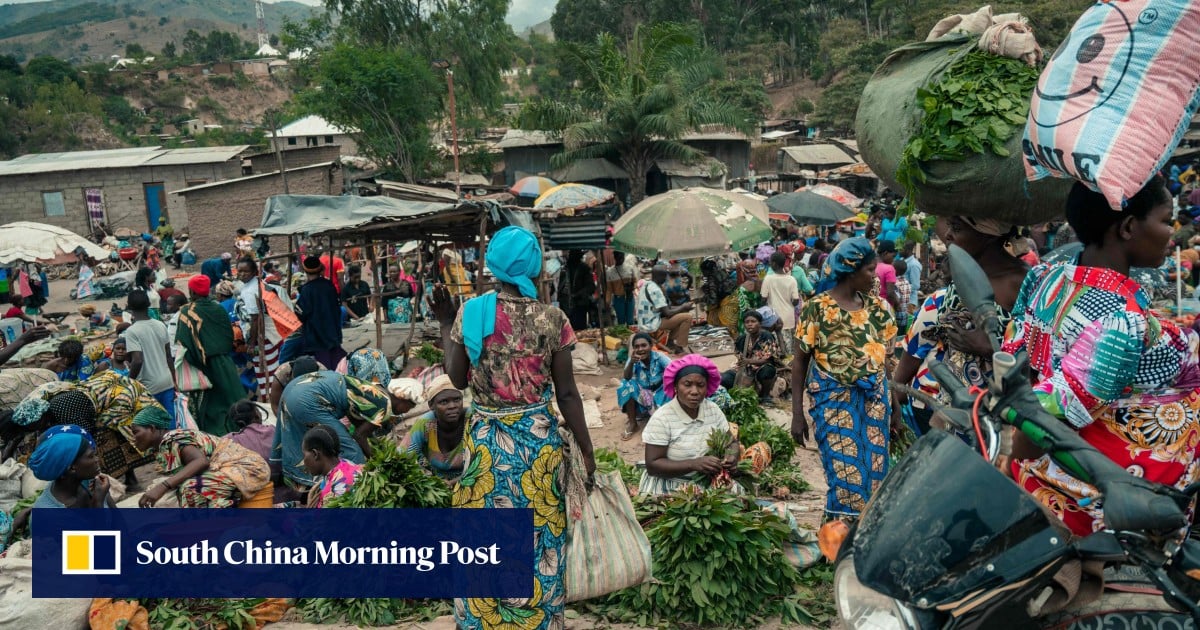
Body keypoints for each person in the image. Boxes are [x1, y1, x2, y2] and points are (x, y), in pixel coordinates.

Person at [1003, 176, 1200, 536]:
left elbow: (1019, 360)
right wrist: (1012, 473)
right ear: (1127, 227)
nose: (1171, 233)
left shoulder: (1048, 276)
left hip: (1046, 472)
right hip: (1099, 499)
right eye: (1164, 220)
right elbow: (1050, 414)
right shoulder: (1120, 321)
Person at [429, 225, 595, 630]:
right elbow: (568, 395)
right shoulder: (553, 319)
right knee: (540, 539)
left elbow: (457, 377)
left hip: (487, 444)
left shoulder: (473, 312)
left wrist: (448, 320)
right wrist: (587, 454)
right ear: (535, 268)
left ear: (494, 267)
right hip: (538, 445)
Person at [792, 237, 897, 522]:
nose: (874, 276)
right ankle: (838, 545)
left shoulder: (878, 310)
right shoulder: (817, 309)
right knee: (846, 478)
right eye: (870, 270)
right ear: (850, 271)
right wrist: (797, 414)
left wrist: (895, 407)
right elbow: (799, 362)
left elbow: (885, 362)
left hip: (876, 401)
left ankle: (862, 544)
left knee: (876, 477)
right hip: (833, 403)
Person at [894, 216, 1029, 436]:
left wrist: (991, 349)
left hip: (996, 417)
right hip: (948, 408)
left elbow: (1040, 359)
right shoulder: (964, 274)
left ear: (987, 235)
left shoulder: (1024, 282)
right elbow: (923, 339)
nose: (948, 235)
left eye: (956, 229)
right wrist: (896, 396)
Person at [12, 371, 161, 489]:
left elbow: (86, 435)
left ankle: (129, 480)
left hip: (116, 398)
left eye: (33, 426)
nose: (34, 429)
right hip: (97, 406)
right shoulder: (51, 412)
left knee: (107, 445)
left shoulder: (61, 409)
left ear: (40, 417)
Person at [272, 370, 397, 492]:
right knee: (352, 451)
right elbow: (358, 436)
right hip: (307, 399)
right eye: (411, 405)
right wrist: (378, 462)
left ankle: (296, 482)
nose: (409, 409)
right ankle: (356, 490)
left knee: (298, 438)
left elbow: (356, 425)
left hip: (293, 387)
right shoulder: (386, 407)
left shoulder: (365, 388)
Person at [638, 354, 740, 496]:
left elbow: (731, 442)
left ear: (707, 387)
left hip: (707, 479)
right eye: (687, 384)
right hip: (671, 483)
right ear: (675, 386)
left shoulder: (712, 410)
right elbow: (653, 465)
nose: (694, 391)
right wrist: (693, 464)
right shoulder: (663, 418)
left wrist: (732, 457)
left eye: (700, 385)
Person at [133, 407, 272, 508]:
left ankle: (222, 526)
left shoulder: (174, 438)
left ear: (151, 428)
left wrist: (163, 487)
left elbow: (201, 462)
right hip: (231, 470)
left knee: (190, 488)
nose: (133, 439)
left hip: (247, 468)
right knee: (179, 488)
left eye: (136, 432)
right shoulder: (164, 448)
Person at [175, 274, 245, 436]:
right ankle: (242, 432)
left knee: (211, 406)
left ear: (192, 291)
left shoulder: (187, 311)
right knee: (232, 398)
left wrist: (196, 362)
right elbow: (229, 335)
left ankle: (217, 437)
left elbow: (184, 342)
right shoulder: (218, 308)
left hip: (204, 365)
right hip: (225, 362)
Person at [28, 425, 114, 512]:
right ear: (72, 468)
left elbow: (120, 521)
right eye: (91, 456)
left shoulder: (90, 483)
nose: (97, 459)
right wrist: (98, 502)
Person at [400, 375, 467, 481]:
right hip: (436, 482)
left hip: (471, 479)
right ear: (431, 405)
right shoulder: (425, 423)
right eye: (444, 402)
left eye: (457, 400)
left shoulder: (472, 420)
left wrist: (455, 482)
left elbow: (485, 461)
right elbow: (403, 458)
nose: (452, 406)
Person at [123, 290, 175, 420]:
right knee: (170, 420)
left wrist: (130, 383)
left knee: (153, 424)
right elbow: (169, 356)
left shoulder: (132, 331)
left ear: (129, 307)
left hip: (149, 387)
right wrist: (175, 380)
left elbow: (137, 361)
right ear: (148, 304)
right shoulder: (160, 325)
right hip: (167, 382)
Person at [617, 332, 672, 441]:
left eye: (644, 345)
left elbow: (674, 370)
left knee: (672, 384)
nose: (640, 349)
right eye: (636, 347)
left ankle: (660, 414)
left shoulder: (659, 357)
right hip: (644, 394)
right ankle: (633, 424)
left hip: (661, 393)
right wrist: (631, 363)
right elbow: (627, 377)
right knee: (626, 384)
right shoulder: (633, 360)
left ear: (651, 346)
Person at [296, 256, 345, 370]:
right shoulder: (329, 285)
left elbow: (301, 314)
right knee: (337, 367)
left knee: (323, 369)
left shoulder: (306, 290)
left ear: (305, 271)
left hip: (316, 337)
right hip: (332, 333)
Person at [721, 310, 781, 402]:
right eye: (747, 322)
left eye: (753, 321)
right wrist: (744, 362)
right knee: (725, 378)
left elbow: (769, 359)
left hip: (761, 366)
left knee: (767, 371)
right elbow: (739, 355)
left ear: (760, 324)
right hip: (745, 367)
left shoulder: (766, 336)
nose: (750, 324)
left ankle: (765, 396)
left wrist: (750, 361)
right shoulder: (742, 339)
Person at [301, 424, 363, 508]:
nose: (304, 461)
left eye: (304, 455)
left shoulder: (336, 491)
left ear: (315, 454)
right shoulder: (347, 463)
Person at [637, 264, 693, 354]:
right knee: (688, 317)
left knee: (682, 314)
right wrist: (683, 306)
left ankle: (671, 342)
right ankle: (680, 346)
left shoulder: (647, 285)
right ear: (660, 277)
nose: (666, 278)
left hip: (646, 321)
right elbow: (667, 313)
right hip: (651, 324)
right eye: (665, 276)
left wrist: (683, 307)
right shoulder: (655, 290)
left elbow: (665, 308)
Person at [760, 251, 801, 346]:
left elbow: (763, 299)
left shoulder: (768, 279)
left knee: (776, 347)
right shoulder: (791, 279)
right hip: (789, 318)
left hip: (773, 320)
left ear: (774, 263)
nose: (769, 264)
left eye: (770, 262)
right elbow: (795, 301)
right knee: (788, 347)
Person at [700, 257, 739, 337]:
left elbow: (713, 300)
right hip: (736, 298)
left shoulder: (711, 279)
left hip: (728, 304)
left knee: (730, 327)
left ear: (706, 271)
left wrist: (702, 300)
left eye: (703, 271)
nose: (703, 273)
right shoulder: (723, 271)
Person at [606, 251, 637, 326]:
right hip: (618, 299)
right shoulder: (610, 272)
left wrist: (632, 288)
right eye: (618, 256)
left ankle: (631, 336)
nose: (620, 258)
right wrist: (607, 302)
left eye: (621, 256)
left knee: (630, 321)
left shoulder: (630, 268)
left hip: (629, 297)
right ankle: (623, 337)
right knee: (621, 321)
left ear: (623, 256)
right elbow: (609, 290)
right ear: (615, 257)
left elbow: (635, 281)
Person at [874, 240, 901, 312]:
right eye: (893, 256)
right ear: (885, 253)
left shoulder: (871, 265)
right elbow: (890, 293)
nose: (893, 259)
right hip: (885, 307)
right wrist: (898, 305)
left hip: (872, 305)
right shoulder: (889, 269)